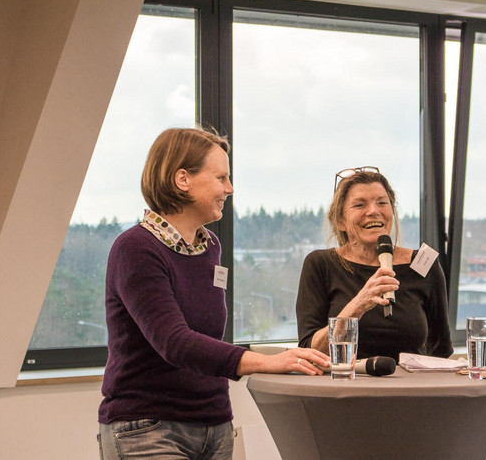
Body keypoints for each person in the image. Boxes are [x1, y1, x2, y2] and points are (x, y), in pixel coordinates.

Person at [97, 127, 329, 460]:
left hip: (215, 427)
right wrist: (266, 362)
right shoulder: (135, 249)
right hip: (147, 429)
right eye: (221, 178)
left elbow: (206, 337)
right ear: (182, 179)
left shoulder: (210, 247)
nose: (229, 189)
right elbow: (175, 342)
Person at [296, 167, 453, 362]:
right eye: (360, 205)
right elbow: (309, 350)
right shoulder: (320, 264)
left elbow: (442, 351)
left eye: (382, 203)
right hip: (346, 385)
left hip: (412, 388)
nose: (373, 211)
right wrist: (357, 306)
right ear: (341, 221)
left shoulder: (425, 263)